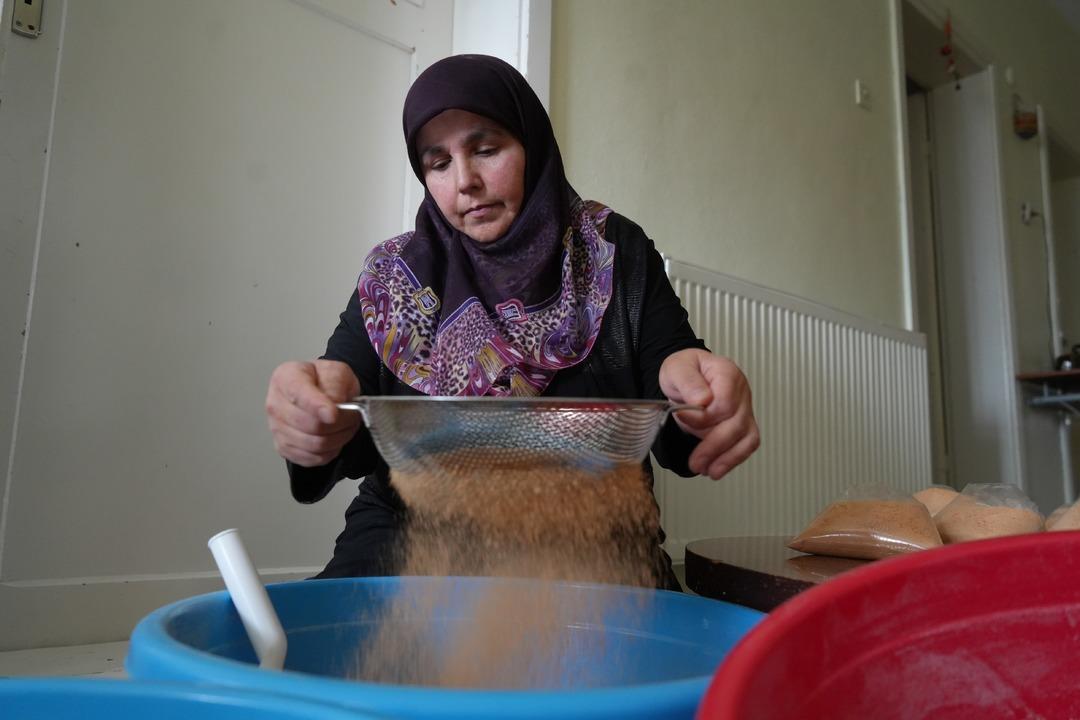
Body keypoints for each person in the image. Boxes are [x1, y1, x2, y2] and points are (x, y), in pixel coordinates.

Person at [265, 54, 759, 589]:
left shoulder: (613, 249)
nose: (466, 182)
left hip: (592, 536)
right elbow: (341, 375)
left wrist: (700, 391)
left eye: (486, 149)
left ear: (531, 144)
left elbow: (673, 359)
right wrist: (315, 404)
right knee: (320, 647)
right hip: (413, 531)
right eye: (438, 163)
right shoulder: (395, 277)